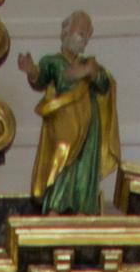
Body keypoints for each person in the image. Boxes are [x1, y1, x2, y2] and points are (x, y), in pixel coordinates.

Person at [17, 12, 120, 214]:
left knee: (84, 165)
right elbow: (40, 79)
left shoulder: (88, 64)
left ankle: (83, 210)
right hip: (64, 122)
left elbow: (104, 85)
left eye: (87, 34)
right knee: (62, 163)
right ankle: (55, 207)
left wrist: (90, 72)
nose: (83, 37)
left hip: (89, 125)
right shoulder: (53, 61)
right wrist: (31, 71)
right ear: (66, 31)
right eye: (80, 31)